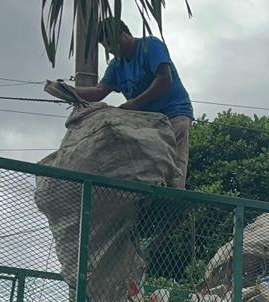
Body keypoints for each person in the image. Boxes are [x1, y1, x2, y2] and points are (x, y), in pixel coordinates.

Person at [69, 19, 194, 188]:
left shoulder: (150, 46)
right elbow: (99, 92)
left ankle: (173, 199)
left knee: (173, 164)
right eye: (106, 47)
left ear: (123, 35)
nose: (110, 50)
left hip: (174, 113)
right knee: (145, 166)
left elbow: (165, 80)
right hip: (146, 120)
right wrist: (68, 91)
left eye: (110, 44)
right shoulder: (116, 65)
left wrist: (135, 103)